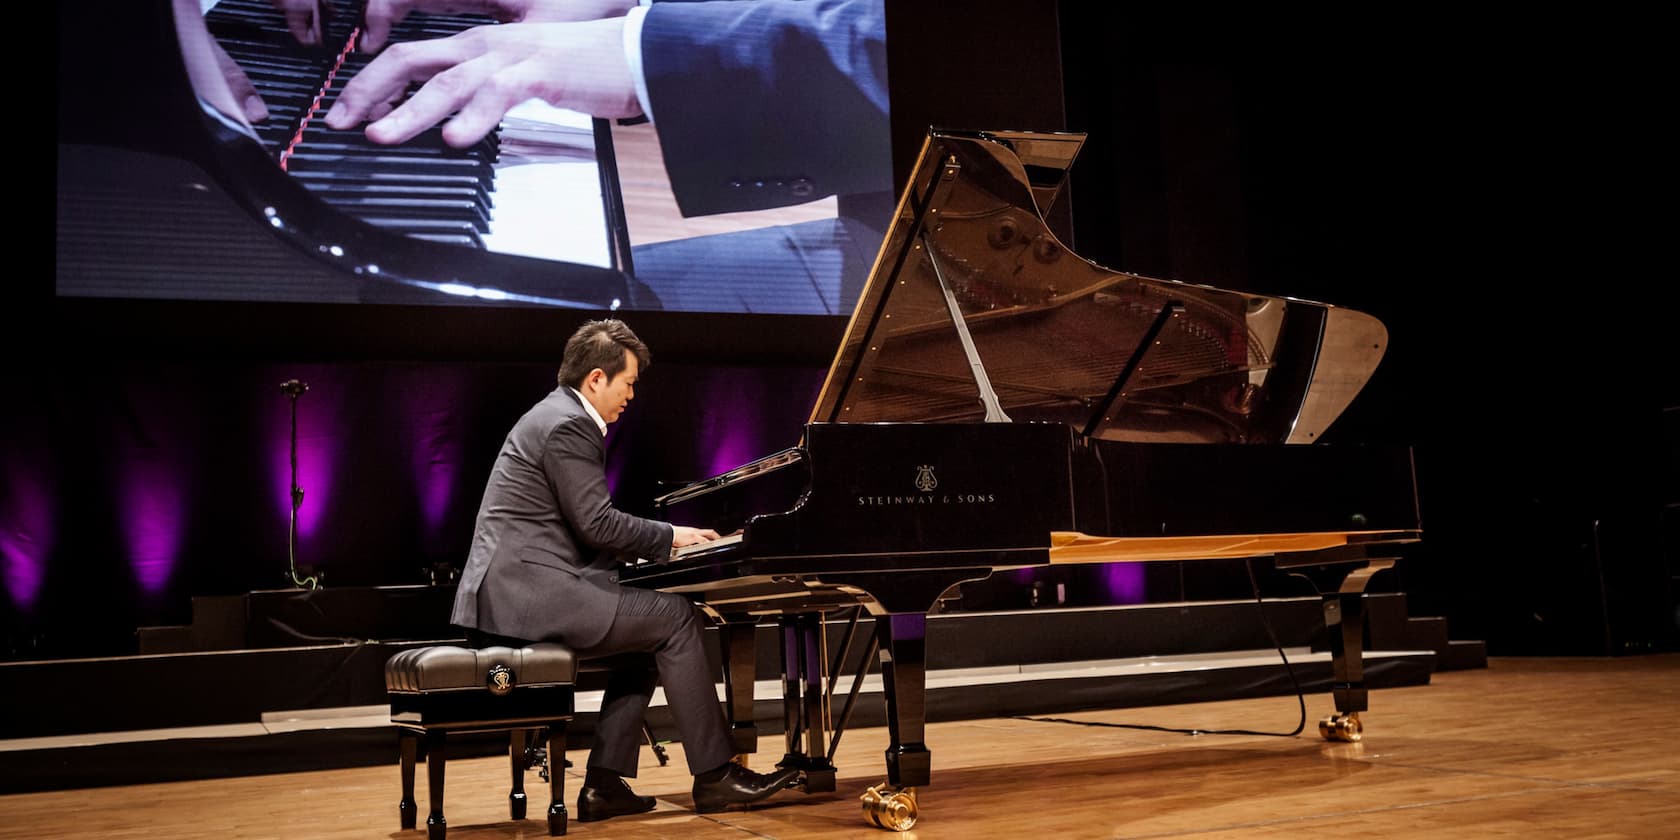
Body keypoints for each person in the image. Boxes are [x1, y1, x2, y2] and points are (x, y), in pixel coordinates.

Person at [323, 0, 893, 314]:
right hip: (899, 235)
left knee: (546, 336)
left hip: (955, 281)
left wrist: (644, 52)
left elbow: (953, 43)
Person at [450, 318, 800, 821]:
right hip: (527, 594)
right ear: (596, 378)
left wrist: (643, 554)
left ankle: (604, 785)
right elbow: (595, 523)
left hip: (519, 589)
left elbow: (574, 527)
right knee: (677, 619)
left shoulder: (552, 414)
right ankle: (716, 776)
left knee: (645, 639)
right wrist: (672, 537)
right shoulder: (569, 424)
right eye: (628, 382)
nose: (632, 395)